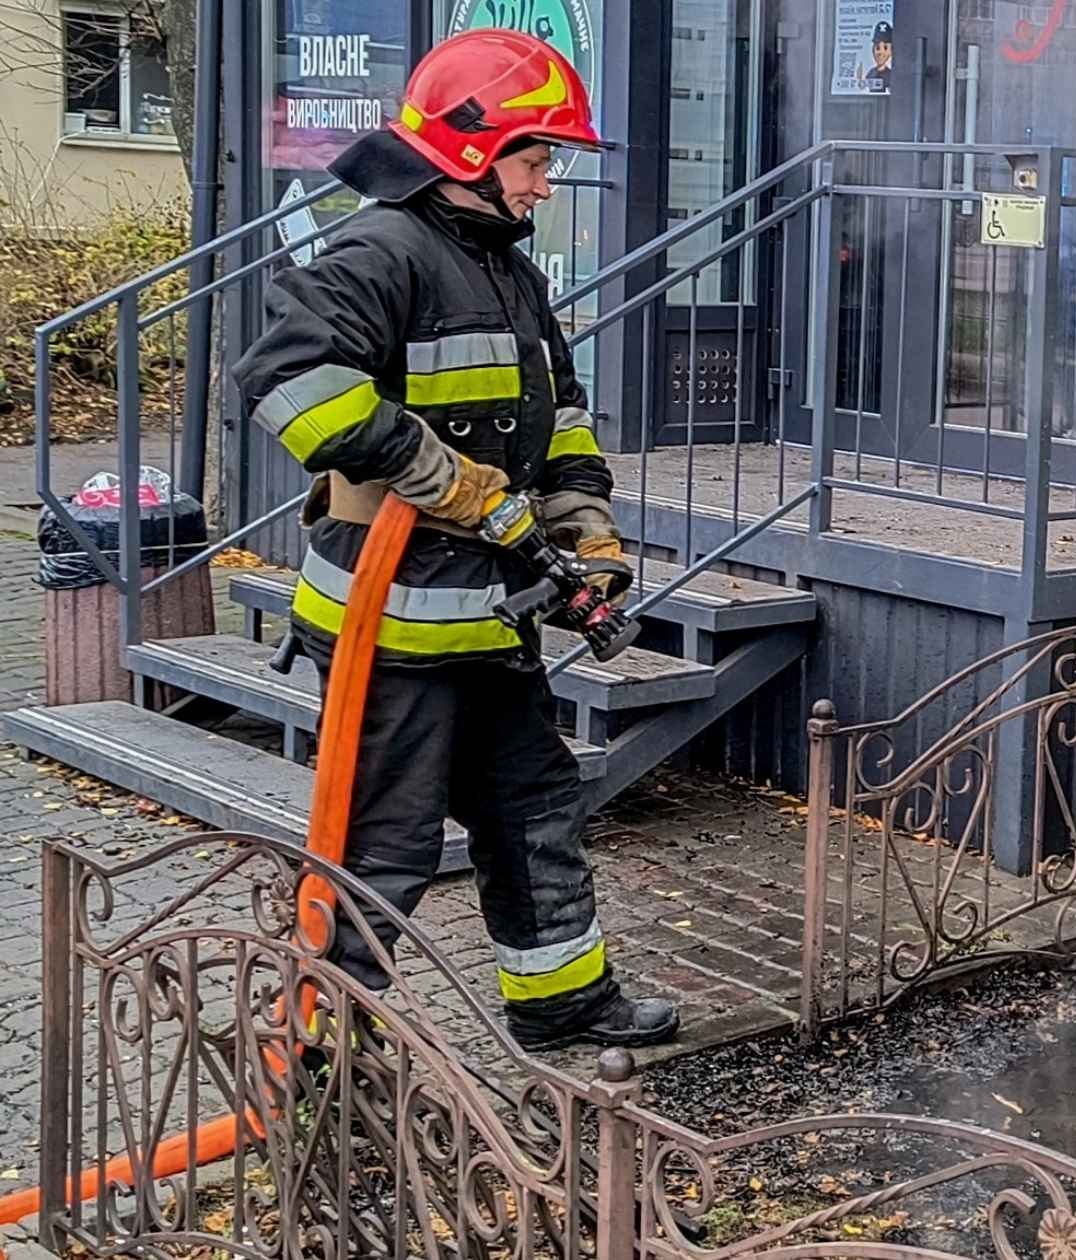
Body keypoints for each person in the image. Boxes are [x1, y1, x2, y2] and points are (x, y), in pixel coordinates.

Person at [230, 28, 678, 1051]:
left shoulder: (508, 276)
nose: (545, 184)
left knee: (534, 815)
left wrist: (585, 535)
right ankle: (325, 1049)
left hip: (489, 626)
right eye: (536, 158)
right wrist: (436, 475)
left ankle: (561, 1003)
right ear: (474, 152)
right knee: (382, 849)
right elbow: (282, 379)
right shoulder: (382, 252)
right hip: (390, 637)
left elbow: (558, 421)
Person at [867, 22, 895, 91]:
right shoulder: (871, 73)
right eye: (877, 48)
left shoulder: (891, 76)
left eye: (885, 48)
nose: (880, 53)